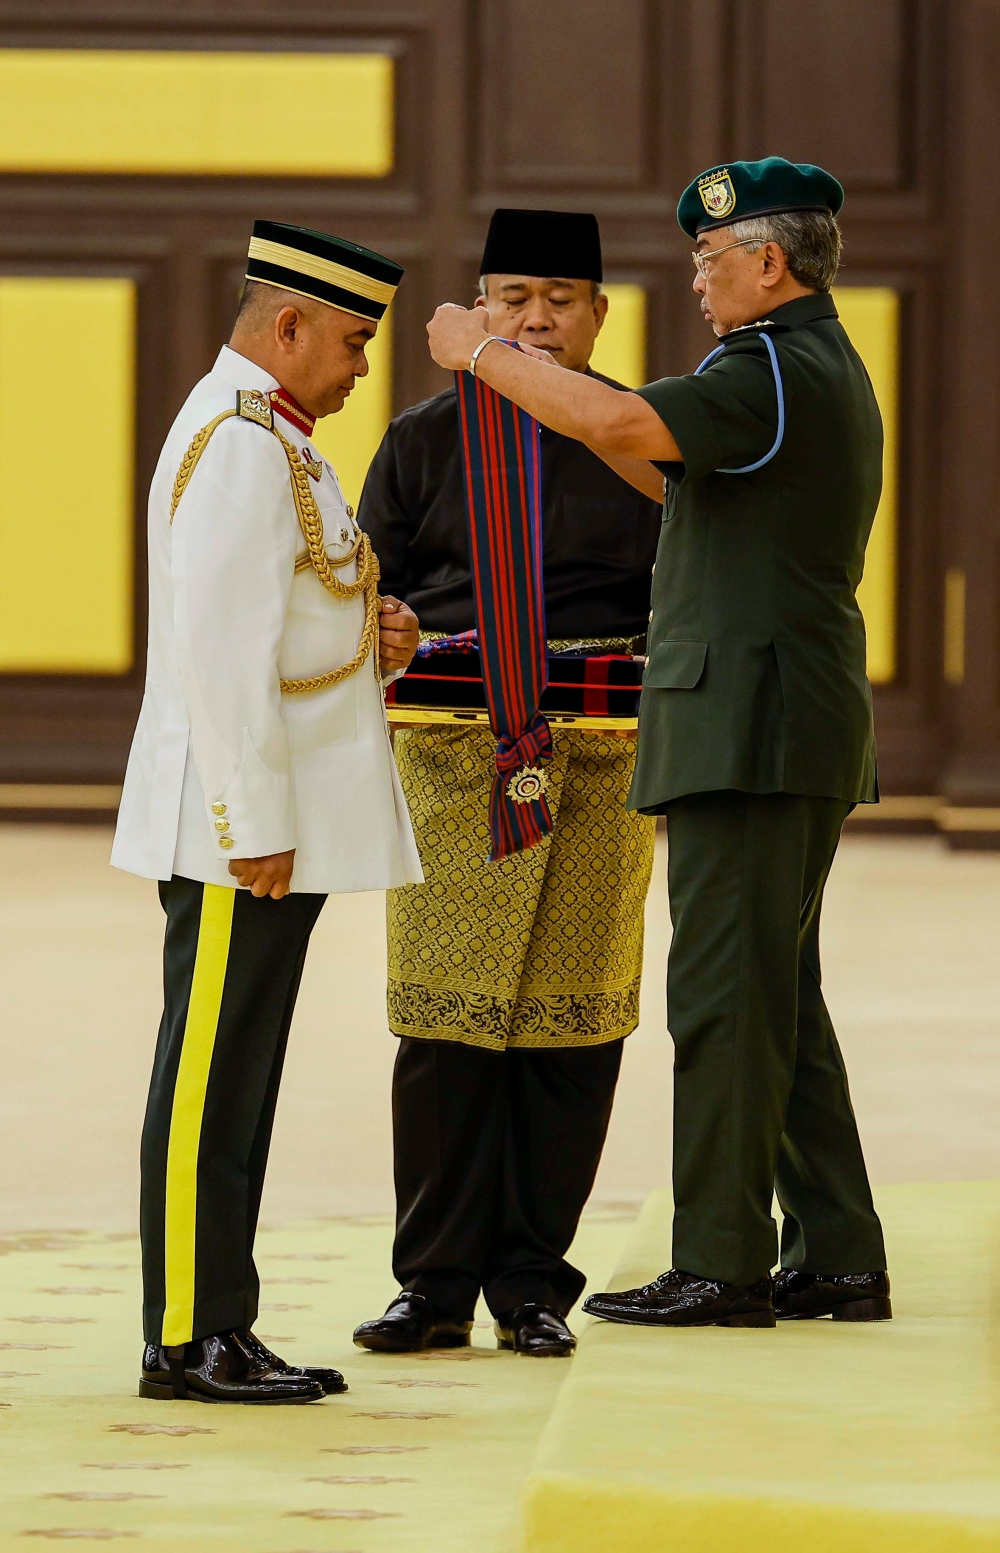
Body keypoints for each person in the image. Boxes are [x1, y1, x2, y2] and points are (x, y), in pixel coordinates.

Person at [426, 159, 891, 1331]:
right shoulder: (798, 369)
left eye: (708, 258)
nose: (696, 281)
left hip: (752, 723)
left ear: (767, 263)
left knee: (725, 1000)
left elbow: (631, 419)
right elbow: (658, 456)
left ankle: (722, 1260)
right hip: (783, 716)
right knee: (778, 992)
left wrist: (483, 354)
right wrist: (556, 389)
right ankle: (836, 1246)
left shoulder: (768, 362)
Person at [112, 220, 423, 1402]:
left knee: (239, 1074)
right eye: (348, 342)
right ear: (285, 325)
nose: (356, 369)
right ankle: (186, 1333)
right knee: (209, 1078)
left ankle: (219, 1319)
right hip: (240, 829)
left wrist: (375, 638)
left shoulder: (275, 437)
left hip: (263, 818)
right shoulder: (241, 446)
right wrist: (253, 825)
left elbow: (294, 612)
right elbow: (220, 652)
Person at [352, 209, 662, 1358]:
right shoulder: (424, 438)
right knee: (446, 1023)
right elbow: (365, 578)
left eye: (561, 300)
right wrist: (380, 621)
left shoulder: (636, 437)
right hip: (452, 759)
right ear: (477, 310)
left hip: (603, 760)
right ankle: (430, 1284)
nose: (536, 319)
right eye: (513, 296)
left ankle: (533, 1283)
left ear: (599, 313)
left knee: (573, 1029)